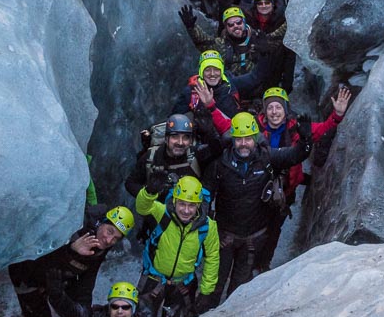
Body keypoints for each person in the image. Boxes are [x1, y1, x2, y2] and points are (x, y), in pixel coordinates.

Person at [7, 205, 135, 317]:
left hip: (62, 275)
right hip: (28, 274)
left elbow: (87, 278)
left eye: (115, 238)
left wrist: (82, 310)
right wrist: (71, 250)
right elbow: (34, 256)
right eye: (109, 230)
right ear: (102, 222)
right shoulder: (75, 226)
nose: (108, 239)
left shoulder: (101, 246)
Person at [198, 107, 311, 302]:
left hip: (253, 239)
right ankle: (204, 316)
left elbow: (294, 156)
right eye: (239, 139)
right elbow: (205, 194)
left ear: (255, 139)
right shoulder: (219, 164)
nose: (244, 144)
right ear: (232, 140)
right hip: (225, 237)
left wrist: (305, 140)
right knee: (215, 284)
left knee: (239, 290)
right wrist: (206, 229)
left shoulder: (266, 157)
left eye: (248, 139)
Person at [246, 86, 351, 273]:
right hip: (257, 188)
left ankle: (263, 264)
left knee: (274, 229)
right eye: (270, 108)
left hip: (285, 191)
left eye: (278, 107)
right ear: (264, 110)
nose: (274, 112)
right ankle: (249, 264)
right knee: (254, 229)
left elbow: (323, 129)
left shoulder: (296, 128)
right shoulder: (254, 129)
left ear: (285, 110)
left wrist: (337, 115)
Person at [135, 175, 221, 317]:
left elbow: (212, 257)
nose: (186, 210)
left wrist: (206, 290)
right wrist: (148, 192)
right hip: (153, 279)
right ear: (174, 201)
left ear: (198, 205)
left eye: (191, 206)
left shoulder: (207, 227)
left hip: (181, 284)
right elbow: (142, 208)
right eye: (182, 204)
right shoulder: (163, 213)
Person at [125, 114, 221, 237]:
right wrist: (150, 193)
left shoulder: (195, 156)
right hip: (159, 223)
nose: (180, 143)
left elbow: (217, 150)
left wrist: (209, 132)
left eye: (186, 138)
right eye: (175, 137)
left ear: (191, 141)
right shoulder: (151, 158)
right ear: (166, 139)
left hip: (190, 223)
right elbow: (130, 183)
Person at [179, 5, 261, 79]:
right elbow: (202, 41)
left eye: (238, 22)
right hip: (232, 89)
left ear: (244, 22)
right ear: (226, 27)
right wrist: (192, 27)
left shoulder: (258, 40)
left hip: (257, 87)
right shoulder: (221, 44)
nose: (236, 26)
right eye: (231, 25)